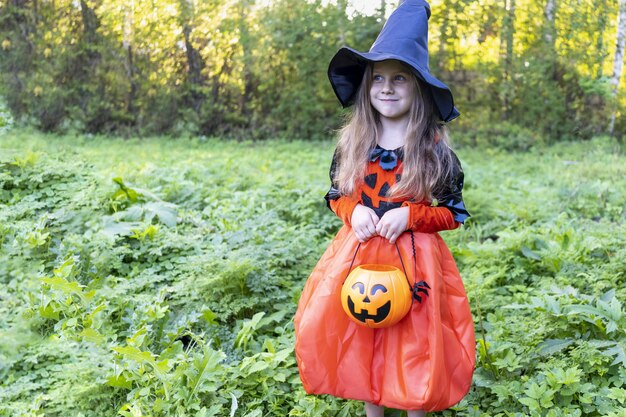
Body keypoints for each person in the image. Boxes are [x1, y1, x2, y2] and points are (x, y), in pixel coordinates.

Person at [293, 1, 476, 416]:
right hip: (359, 254)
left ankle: (413, 405)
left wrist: (411, 216)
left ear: (418, 88)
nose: (387, 88)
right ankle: (372, 409)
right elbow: (335, 195)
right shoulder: (352, 143)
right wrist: (352, 211)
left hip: (414, 263)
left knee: (415, 338)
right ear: (366, 86)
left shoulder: (433, 151)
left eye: (399, 79)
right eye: (378, 79)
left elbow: (453, 212)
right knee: (362, 332)